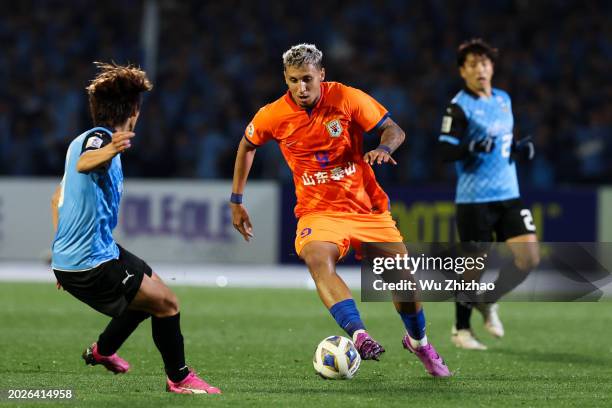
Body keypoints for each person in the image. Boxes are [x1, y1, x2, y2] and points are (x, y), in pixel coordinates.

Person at [230, 43, 450, 377]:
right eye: (292, 81)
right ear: (285, 79)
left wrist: (383, 147)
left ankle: (418, 343)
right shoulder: (272, 115)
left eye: (307, 79)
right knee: (318, 259)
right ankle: (359, 334)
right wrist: (236, 200)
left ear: (321, 74)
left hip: (366, 208)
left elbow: (395, 129)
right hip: (318, 212)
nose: (300, 88)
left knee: (403, 282)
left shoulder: (347, 98)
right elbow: (248, 144)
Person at [51, 62, 221, 394]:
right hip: (91, 264)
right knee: (167, 304)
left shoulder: (78, 141)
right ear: (134, 111)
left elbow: (57, 196)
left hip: (89, 253)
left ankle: (103, 351)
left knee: (150, 287)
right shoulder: (100, 139)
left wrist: (61, 253)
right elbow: (88, 163)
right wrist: (110, 148)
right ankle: (180, 379)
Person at [438, 39, 540, 350]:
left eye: (484, 63)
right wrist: (469, 147)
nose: (480, 69)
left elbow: (502, 139)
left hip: (509, 194)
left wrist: (517, 148)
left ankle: (488, 300)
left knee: (529, 258)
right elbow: (444, 149)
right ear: (462, 71)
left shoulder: (503, 99)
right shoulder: (458, 107)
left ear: (492, 67)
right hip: (474, 199)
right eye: (472, 64)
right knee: (473, 265)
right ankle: (461, 329)